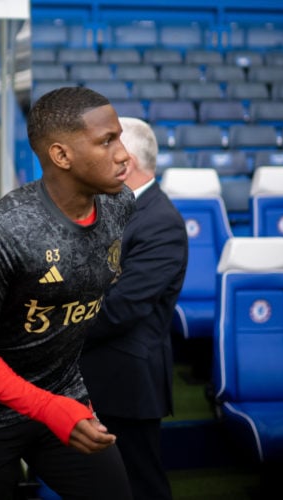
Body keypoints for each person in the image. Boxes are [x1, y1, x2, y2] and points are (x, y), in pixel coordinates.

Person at [0, 86, 135, 500]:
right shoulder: (0, 232)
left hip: (65, 395)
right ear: (61, 156)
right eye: (107, 141)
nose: (124, 155)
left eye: (119, 137)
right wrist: (48, 408)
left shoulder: (121, 204)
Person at [80, 116, 188, 500]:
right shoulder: (115, 210)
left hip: (126, 382)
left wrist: (57, 330)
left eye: (106, 149)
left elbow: (121, 307)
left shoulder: (161, 223)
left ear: (126, 163)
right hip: (99, 373)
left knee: (139, 486)